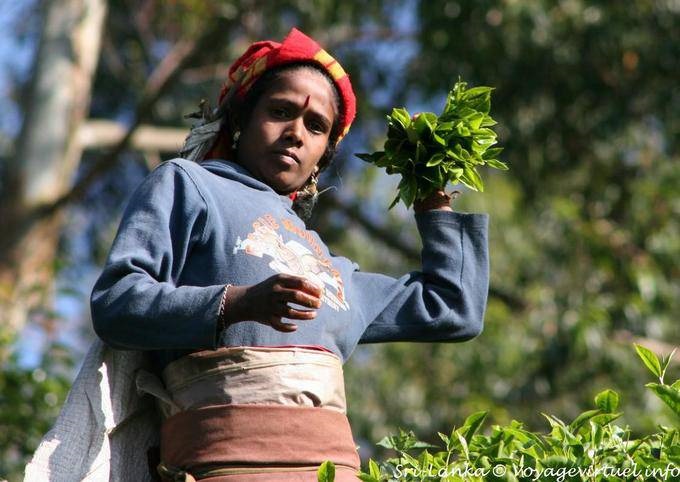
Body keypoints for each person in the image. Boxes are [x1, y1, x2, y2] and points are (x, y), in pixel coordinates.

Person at [88, 28, 489, 481]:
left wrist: (434, 202)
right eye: (280, 111)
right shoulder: (190, 185)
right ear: (240, 121)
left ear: (322, 157)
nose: (296, 133)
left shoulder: (332, 271)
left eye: (316, 126)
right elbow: (116, 304)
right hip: (224, 468)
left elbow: (454, 309)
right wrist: (238, 304)